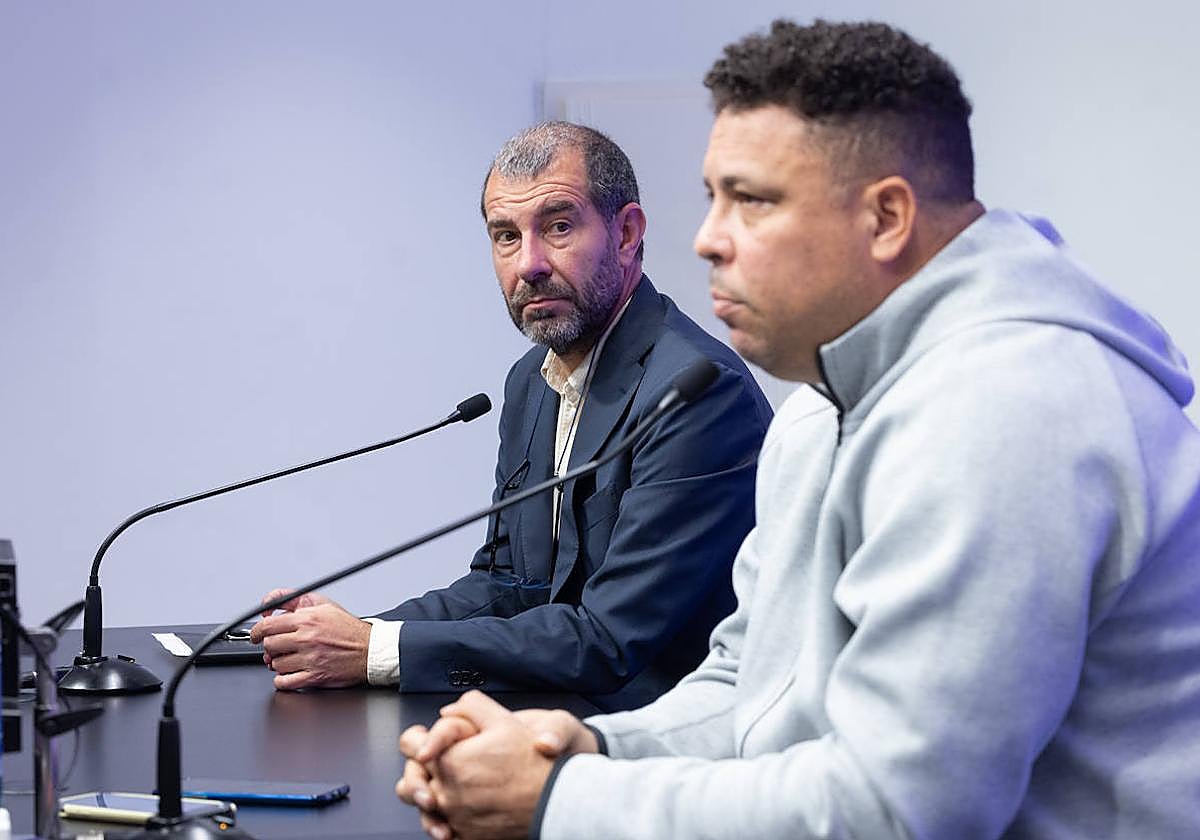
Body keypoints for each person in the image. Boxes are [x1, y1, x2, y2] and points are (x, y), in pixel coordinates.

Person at [395, 19, 1200, 840]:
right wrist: (591, 746)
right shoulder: (823, 405)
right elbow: (755, 689)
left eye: (752, 200)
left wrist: (560, 802)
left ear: (885, 217)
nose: (707, 238)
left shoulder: (1010, 410)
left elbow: (899, 815)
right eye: (713, 197)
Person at [251, 122, 773, 712]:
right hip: (549, 719)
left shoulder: (696, 395)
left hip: (660, 748)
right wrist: (344, 634)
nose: (529, 264)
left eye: (557, 227)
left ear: (626, 234)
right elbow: (503, 586)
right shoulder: (531, 382)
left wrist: (376, 648)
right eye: (505, 236)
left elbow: (608, 640)